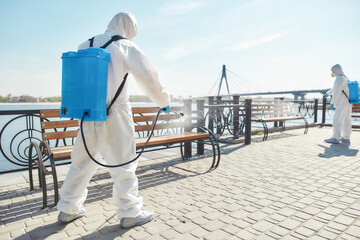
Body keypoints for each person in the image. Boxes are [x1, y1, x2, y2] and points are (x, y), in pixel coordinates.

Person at [57, 12, 170, 228]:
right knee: (124, 163)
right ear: (130, 28)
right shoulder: (125, 46)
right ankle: (130, 212)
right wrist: (163, 100)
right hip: (116, 113)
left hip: (88, 113)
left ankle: (68, 208)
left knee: (81, 163)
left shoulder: (84, 44)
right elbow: (149, 78)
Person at [324, 64, 352, 144]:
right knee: (347, 120)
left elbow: (336, 92)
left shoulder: (339, 79)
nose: (332, 73)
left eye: (333, 71)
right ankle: (346, 138)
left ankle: (335, 138)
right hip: (348, 102)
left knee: (337, 120)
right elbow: (335, 89)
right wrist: (328, 93)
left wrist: (332, 103)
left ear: (336, 70)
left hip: (342, 103)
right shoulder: (344, 78)